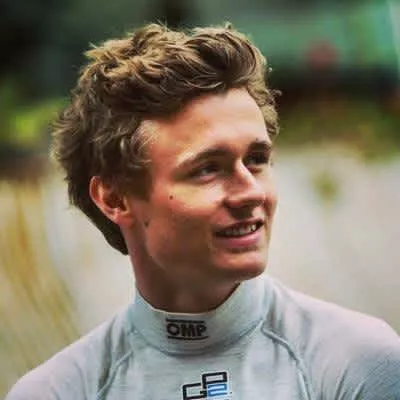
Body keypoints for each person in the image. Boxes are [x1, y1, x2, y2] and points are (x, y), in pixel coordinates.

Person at [6, 23, 400, 400]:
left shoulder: (360, 362)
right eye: (208, 168)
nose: (251, 192)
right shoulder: (55, 392)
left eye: (257, 159)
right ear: (114, 199)